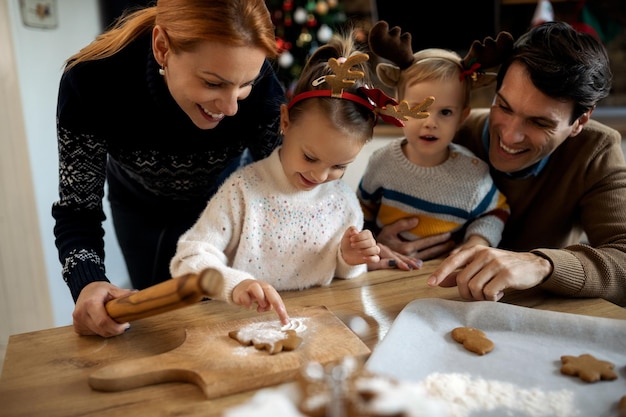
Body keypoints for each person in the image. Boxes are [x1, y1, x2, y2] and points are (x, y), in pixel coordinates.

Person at [52, 0, 286, 337]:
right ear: (162, 47)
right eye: (213, 83)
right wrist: (88, 283)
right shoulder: (91, 81)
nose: (232, 107)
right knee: (160, 330)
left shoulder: (261, 85)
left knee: (234, 325)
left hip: (226, 210)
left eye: (245, 85)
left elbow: (287, 184)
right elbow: (78, 208)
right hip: (141, 213)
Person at [375, 21, 626, 307]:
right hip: (430, 305)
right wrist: (379, 243)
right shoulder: (446, 130)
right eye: (504, 106)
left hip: (538, 315)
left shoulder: (595, 150)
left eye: (539, 122)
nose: (509, 135)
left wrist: (542, 265)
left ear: (580, 121)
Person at [169, 30, 418, 316]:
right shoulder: (243, 191)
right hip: (243, 322)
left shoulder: (344, 202)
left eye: (339, 166)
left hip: (318, 321)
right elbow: (188, 259)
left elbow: (342, 275)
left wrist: (349, 259)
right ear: (285, 121)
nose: (321, 177)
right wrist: (236, 284)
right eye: (310, 157)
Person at [358, 21, 510, 260]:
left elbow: (496, 212)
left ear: (462, 117)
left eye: (445, 112)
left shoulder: (474, 174)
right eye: (419, 109)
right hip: (387, 270)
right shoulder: (381, 162)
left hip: (444, 278)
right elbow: (360, 214)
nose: (430, 122)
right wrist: (373, 243)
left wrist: (477, 241)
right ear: (398, 109)